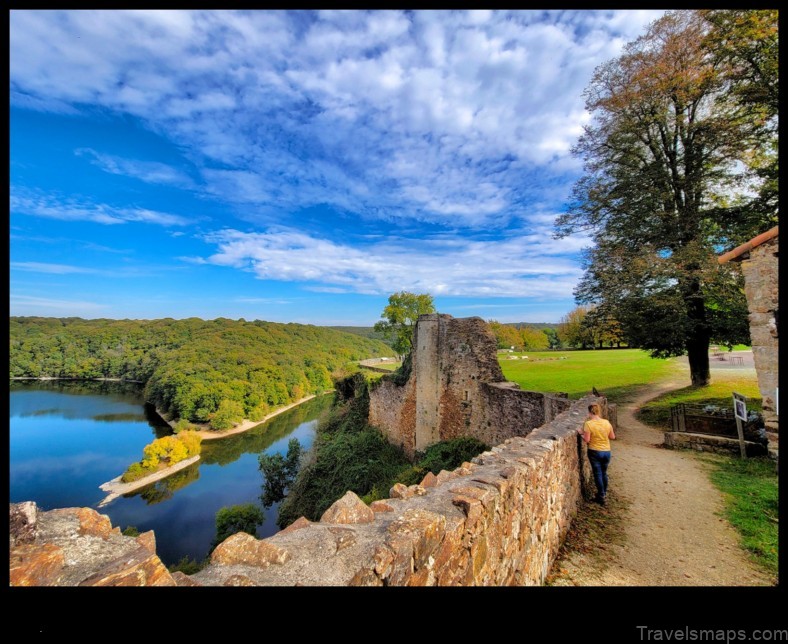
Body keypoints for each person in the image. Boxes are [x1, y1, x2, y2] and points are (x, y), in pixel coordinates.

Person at [577, 403, 616, 505]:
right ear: (598, 411)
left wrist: (581, 433)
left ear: (589, 412)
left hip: (594, 451)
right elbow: (612, 437)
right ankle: (604, 494)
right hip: (606, 451)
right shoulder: (606, 422)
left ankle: (601, 496)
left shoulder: (589, 424)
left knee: (597, 473)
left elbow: (587, 439)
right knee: (604, 473)